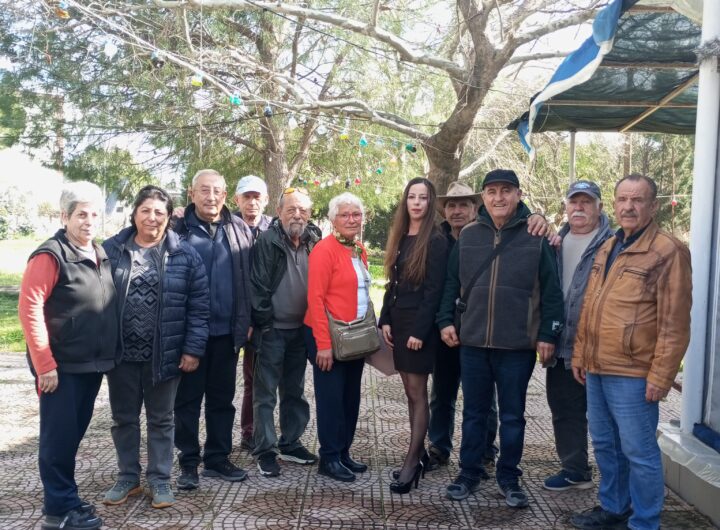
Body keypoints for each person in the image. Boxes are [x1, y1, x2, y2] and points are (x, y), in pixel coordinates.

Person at [570, 174, 692, 530]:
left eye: (637, 200)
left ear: (653, 206)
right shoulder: (609, 245)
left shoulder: (668, 251)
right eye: (623, 199)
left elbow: (675, 322)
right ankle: (614, 508)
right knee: (605, 445)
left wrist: (661, 375)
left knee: (639, 451)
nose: (629, 206)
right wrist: (580, 353)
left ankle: (645, 521)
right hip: (597, 367)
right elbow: (590, 305)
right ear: (614, 203)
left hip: (634, 372)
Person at [437, 169, 564, 507]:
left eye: (506, 190)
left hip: (516, 346)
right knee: (474, 413)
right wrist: (445, 320)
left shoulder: (535, 235)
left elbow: (551, 291)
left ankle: (509, 476)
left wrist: (548, 334)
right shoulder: (468, 235)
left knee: (512, 416)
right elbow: (452, 283)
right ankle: (469, 472)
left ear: (518, 195)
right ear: (483, 197)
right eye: (491, 191)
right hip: (473, 343)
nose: (498, 197)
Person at [101, 186, 210, 509]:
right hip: (121, 354)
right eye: (145, 210)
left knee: (162, 420)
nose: (152, 217)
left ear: (169, 216)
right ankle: (128, 477)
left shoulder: (184, 254)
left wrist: (192, 350)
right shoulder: (111, 250)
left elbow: (199, 307)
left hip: (165, 353)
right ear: (134, 213)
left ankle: (160, 479)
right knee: (124, 418)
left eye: (159, 212)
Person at [18, 181, 117, 530]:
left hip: (89, 364)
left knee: (71, 436)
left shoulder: (98, 252)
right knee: (58, 438)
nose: (89, 221)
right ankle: (58, 511)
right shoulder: (50, 255)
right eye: (81, 215)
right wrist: (44, 364)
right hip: (60, 367)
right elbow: (29, 308)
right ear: (65, 217)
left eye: (94, 215)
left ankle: (66, 496)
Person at [172, 169, 254, 489]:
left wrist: (246, 322)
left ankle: (217, 459)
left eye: (217, 191)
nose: (211, 197)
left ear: (225, 195)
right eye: (204, 190)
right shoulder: (177, 229)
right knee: (187, 402)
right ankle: (188, 462)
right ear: (191, 194)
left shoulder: (238, 228)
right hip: (189, 336)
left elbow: (249, 280)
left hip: (226, 334)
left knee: (222, 400)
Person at [379, 177, 448, 494]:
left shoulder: (435, 239)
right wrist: (385, 319)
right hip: (399, 322)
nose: (417, 203)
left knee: (418, 393)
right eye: (412, 197)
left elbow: (434, 291)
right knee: (410, 392)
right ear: (405, 201)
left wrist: (420, 332)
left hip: (420, 327)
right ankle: (418, 454)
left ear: (430, 202)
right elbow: (392, 283)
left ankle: (412, 462)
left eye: (423, 197)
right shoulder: (400, 234)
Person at [543, 181, 611, 492]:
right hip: (561, 344)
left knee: (605, 419)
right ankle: (575, 470)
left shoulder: (613, 244)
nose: (579, 207)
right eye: (574, 201)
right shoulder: (554, 242)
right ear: (566, 206)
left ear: (599, 207)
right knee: (564, 410)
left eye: (587, 202)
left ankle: (616, 485)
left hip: (598, 347)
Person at [250, 188, 320, 477]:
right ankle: (265, 450)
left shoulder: (314, 240)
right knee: (265, 393)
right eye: (291, 209)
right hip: (273, 330)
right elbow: (258, 287)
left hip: (301, 330)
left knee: (294, 391)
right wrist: (265, 324)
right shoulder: (268, 240)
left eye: (303, 210)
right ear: (278, 212)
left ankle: (291, 442)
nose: (297, 215)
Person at [304, 192, 370, 483]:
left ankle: (343, 452)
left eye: (356, 214)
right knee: (331, 399)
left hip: (354, 335)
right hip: (327, 336)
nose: (351, 219)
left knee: (350, 397)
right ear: (333, 220)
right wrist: (323, 345)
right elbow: (315, 299)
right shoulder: (324, 250)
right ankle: (329, 458)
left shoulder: (358, 249)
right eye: (345, 215)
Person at [233, 175, 272, 452]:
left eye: (257, 197)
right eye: (246, 197)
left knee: (258, 378)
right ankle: (245, 431)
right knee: (231, 382)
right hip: (234, 315)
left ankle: (254, 431)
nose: (252, 202)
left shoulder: (274, 228)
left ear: (265, 200)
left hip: (263, 317)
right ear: (237, 200)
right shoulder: (228, 226)